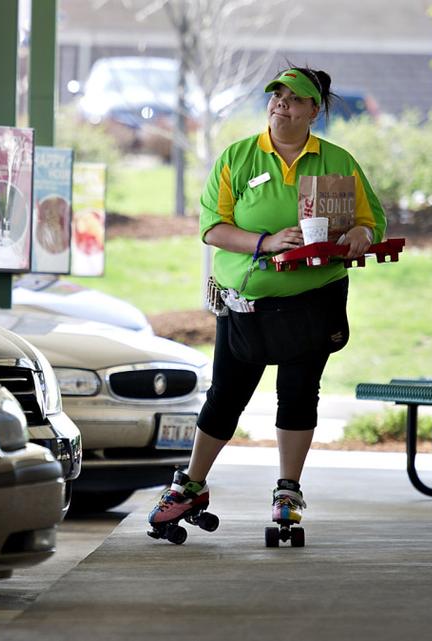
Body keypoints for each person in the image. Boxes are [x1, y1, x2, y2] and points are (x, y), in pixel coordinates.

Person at [147, 66, 387, 540]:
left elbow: (371, 219)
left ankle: (288, 491)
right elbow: (212, 228)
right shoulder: (238, 157)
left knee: (298, 393)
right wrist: (268, 240)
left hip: (312, 299)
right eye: (276, 95)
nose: (281, 104)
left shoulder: (337, 162)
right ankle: (192, 485)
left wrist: (360, 233)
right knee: (225, 397)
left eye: (295, 98)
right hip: (245, 303)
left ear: (314, 110)